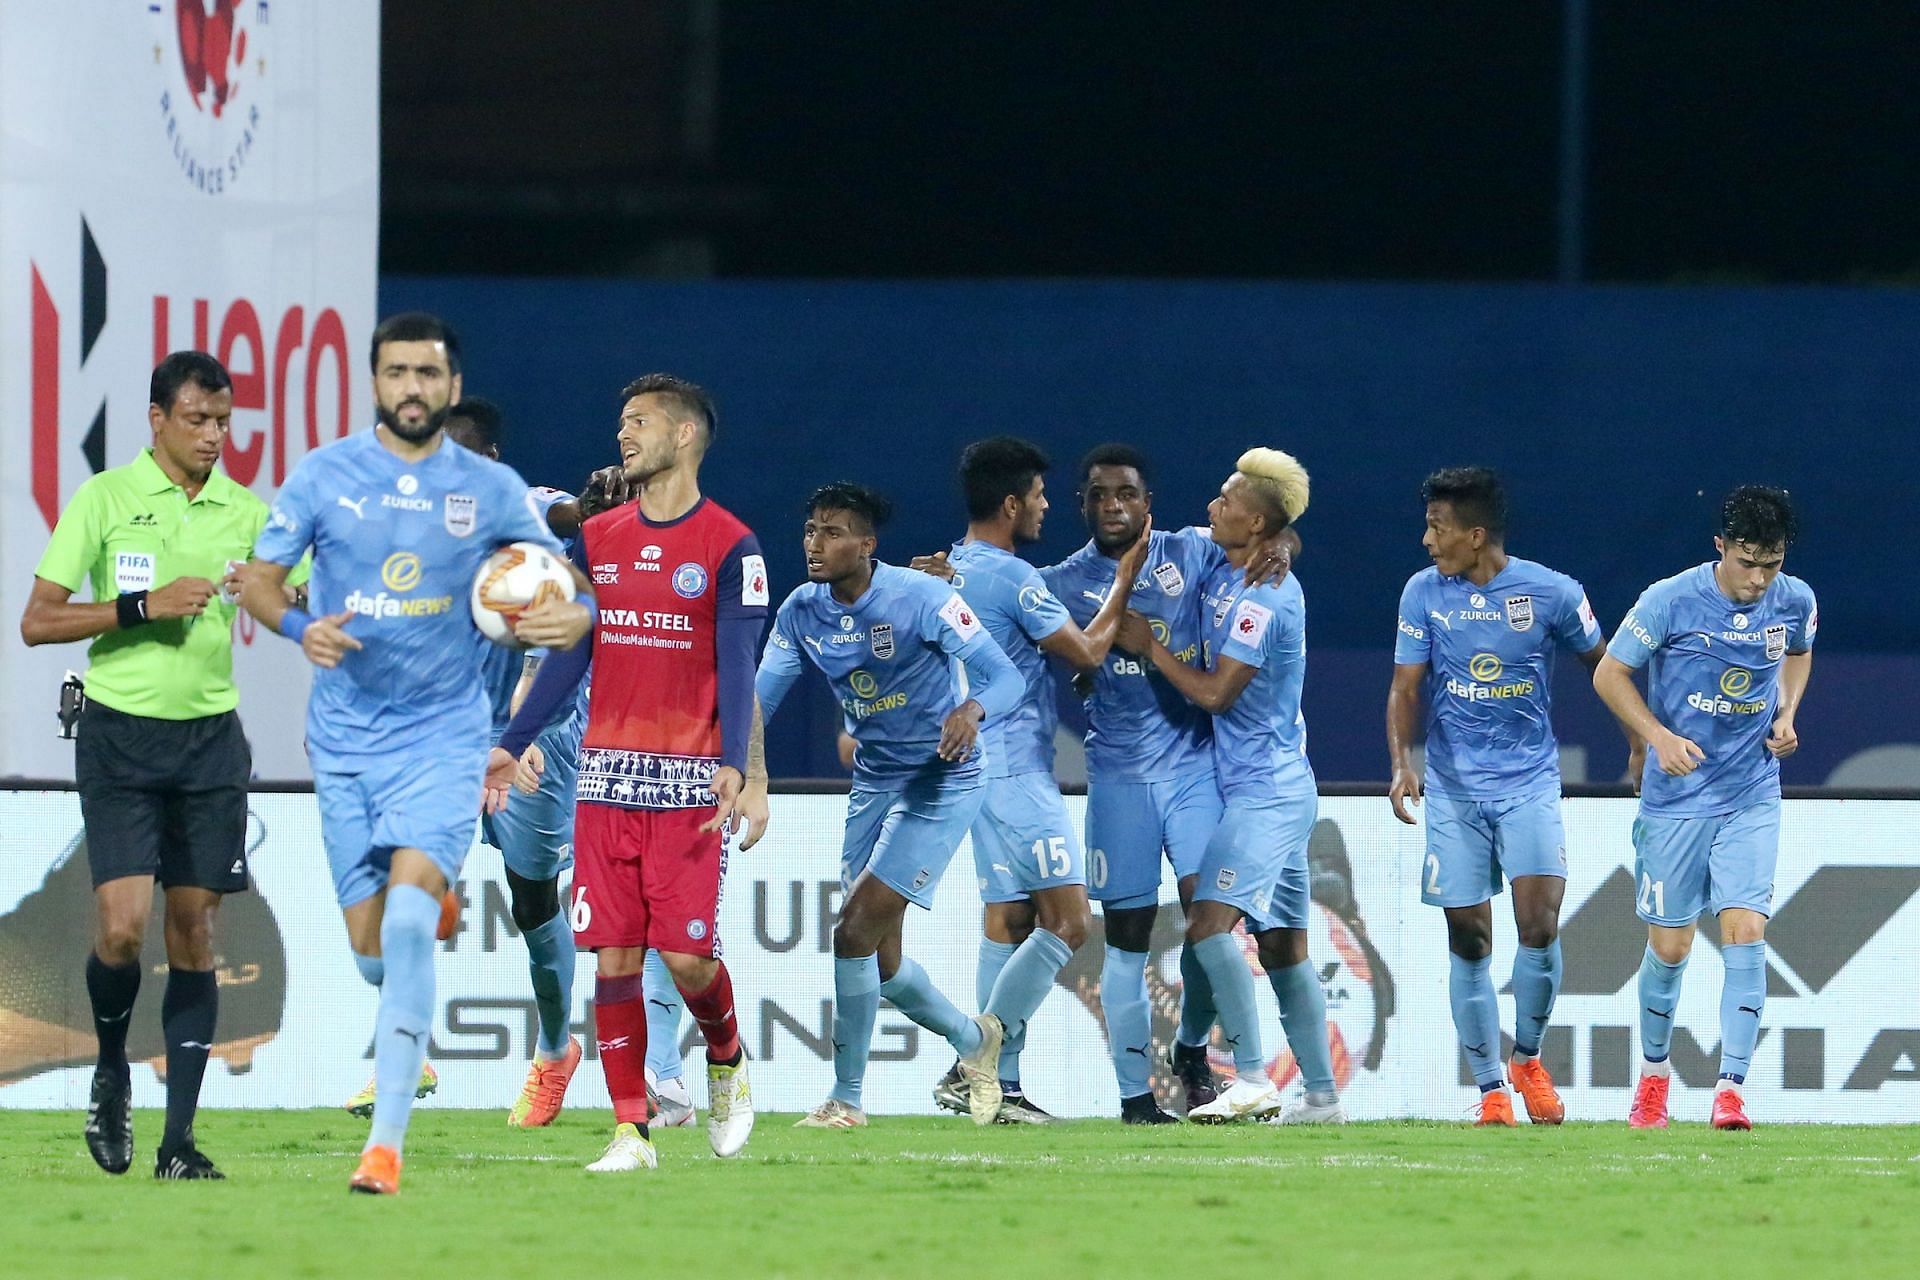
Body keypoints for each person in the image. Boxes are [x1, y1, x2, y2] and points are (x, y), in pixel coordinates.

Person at [238, 312, 591, 1194]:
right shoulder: (325, 476)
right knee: (373, 952)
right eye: (396, 372)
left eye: (427, 374)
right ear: (375, 382)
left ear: (451, 386)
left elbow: (574, 588)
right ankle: (421, 907)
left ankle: (388, 1146)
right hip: (349, 744)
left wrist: (569, 615)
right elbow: (256, 578)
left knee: (435, 918)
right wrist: (295, 624)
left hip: (453, 743)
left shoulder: (496, 490)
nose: (411, 388)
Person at [492, 374, 769, 1172]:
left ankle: (727, 1057)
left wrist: (734, 768)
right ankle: (629, 1132)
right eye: (621, 423)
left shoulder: (731, 546)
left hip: (688, 782)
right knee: (612, 956)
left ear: (685, 437)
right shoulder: (600, 538)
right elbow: (572, 652)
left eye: (640, 423)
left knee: (685, 959)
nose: (624, 436)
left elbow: (738, 666)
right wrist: (515, 738)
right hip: (606, 780)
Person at [20, 351, 287, 1180]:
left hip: (210, 744)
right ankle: (109, 1069)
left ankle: (179, 1143)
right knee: (122, 928)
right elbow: (38, 621)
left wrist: (300, 607)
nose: (213, 437)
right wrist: (142, 605)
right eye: (198, 421)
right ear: (157, 419)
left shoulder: (248, 511)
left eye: (224, 422)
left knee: (195, 931)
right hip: (120, 738)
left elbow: (294, 597)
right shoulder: (106, 499)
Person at [755, 482, 1024, 1129]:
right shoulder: (800, 612)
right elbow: (758, 703)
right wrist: (743, 773)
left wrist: (971, 709)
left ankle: (845, 1100)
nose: (816, 544)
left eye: (833, 532)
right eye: (811, 530)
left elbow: (1006, 677)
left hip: (943, 781)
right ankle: (973, 1041)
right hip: (876, 784)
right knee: (880, 958)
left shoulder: (922, 598)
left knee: (851, 930)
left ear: (867, 545)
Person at [1044, 444, 1294, 1122]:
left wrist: (1286, 544)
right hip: (1118, 780)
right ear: (1084, 505)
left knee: (1208, 921)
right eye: (1099, 495)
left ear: (1147, 503)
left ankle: (1225, 1063)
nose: (1113, 505)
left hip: (1192, 770)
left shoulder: (1193, 551)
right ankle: (1136, 1100)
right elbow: (998, 601)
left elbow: (1265, 533)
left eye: (1126, 493)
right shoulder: (1062, 582)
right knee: (1123, 942)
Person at [1385, 467, 1624, 1126]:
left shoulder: (1551, 592)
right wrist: (1403, 765)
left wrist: (1640, 739)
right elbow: (1405, 688)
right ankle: (1492, 1088)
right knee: (1468, 937)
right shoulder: (1423, 594)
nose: (1428, 539)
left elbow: (1604, 666)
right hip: (1456, 792)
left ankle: (1528, 1058)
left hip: (1528, 783)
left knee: (1539, 925)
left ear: (1476, 533)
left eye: (1438, 527)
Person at [920, 437, 1149, 1122]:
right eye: (1042, 496)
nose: (1050, 506)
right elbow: (1087, 650)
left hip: (972, 773)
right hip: (1014, 772)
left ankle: (1002, 1089)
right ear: (1012, 503)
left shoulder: (950, 568)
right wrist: (1125, 580)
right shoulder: (1010, 578)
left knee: (1009, 917)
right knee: (1071, 921)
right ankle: (973, 1062)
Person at [1115, 448, 1342, 1124]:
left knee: (1211, 926)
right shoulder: (1225, 562)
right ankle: (1324, 1099)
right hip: (1265, 787)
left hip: (1267, 792)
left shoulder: (1268, 596)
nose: (1213, 506)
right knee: (1281, 947)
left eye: (1227, 500)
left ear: (1256, 523)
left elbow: (1216, 695)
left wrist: (1149, 646)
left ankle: (1248, 1076)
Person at [1593, 485, 1815, 1131]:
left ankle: (1731, 1091)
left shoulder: (1794, 599)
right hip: (1676, 800)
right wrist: (1656, 737)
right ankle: (1655, 1077)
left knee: (1745, 931)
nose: (1758, 579)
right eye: (1747, 563)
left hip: (1751, 791)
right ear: (1720, 547)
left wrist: (1788, 710)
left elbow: (1798, 652)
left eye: (1770, 565)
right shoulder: (1669, 600)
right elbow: (1609, 673)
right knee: (1670, 945)